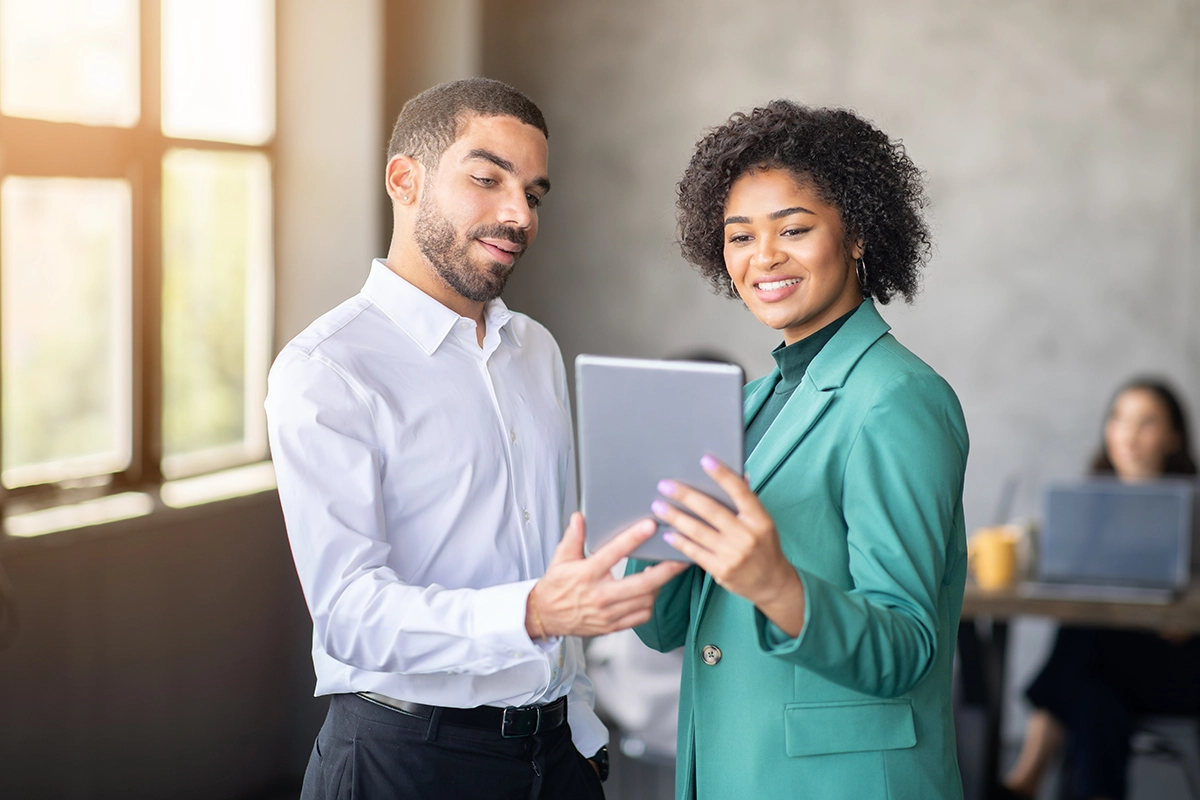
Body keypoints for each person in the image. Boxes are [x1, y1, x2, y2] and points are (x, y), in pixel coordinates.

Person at [265, 78, 687, 800]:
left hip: (555, 756)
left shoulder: (537, 351)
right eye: (488, 179)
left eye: (534, 193)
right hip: (404, 762)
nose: (517, 214)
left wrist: (581, 731)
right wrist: (531, 612)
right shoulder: (326, 369)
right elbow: (350, 615)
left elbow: (556, 556)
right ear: (405, 180)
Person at [628, 100, 970, 799]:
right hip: (728, 772)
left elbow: (907, 646)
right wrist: (643, 532)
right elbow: (664, 630)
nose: (764, 259)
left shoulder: (898, 398)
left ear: (857, 236)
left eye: (794, 229)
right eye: (740, 237)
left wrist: (775, 585)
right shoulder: (744, 404)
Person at [1000, 379, 1200, 800]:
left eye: (1146, 423)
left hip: (1179, 659)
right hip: (1111, 671)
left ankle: (1026, 777)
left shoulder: (1195, 510)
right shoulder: (1087, 509)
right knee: (1095, 692)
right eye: (1119, 419)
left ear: (1173, 437)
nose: (1128, 434)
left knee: (1086, 644)